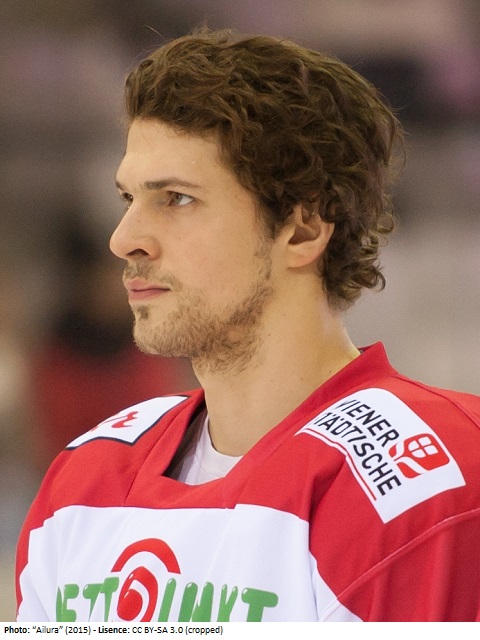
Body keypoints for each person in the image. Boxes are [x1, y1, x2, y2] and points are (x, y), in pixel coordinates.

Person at [16, 28, 480, 622]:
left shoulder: (429, 482)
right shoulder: (83, 481)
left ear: (303, 229)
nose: (123, 239)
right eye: (128, 198)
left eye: (176, 198)